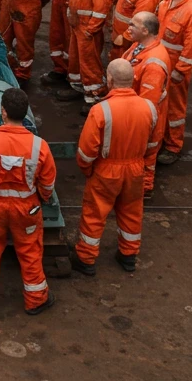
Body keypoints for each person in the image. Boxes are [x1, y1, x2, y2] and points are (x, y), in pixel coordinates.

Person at [0, 88, 57, 315]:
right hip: (27, 208)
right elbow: (47, 184)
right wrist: (40, 200)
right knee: (30, 251)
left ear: (3, 111)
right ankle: (36, 299)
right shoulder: (39, 145)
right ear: (25, 114)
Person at [72, 59, 156, 275]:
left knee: (94, 214)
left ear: (109, 80)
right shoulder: (149, 108)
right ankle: (128, 255)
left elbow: (86, 151)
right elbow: (154, 143)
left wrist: (88, 171)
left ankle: (86, 259)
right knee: (131, 212)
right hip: (136, 168)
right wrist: (143, 164)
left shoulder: (101, 111)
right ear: (133, 79)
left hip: (107, 171)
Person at [154, 0, 192, 166]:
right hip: (160, 64)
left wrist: (179, 71)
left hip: (175, 69)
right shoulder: (166, 2)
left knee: (174, 109)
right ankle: (160, 141)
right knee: (160, 104)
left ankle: (173, 146)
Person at [122, 12, 172, 198]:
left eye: (132, 25)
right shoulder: (139, 46)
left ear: (145, 30)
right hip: (132, 110)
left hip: (144, 119)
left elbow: (148, 105)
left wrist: (136, 127)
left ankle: (144, 189)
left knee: (145, 154)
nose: (129, 28)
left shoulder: (154, 64)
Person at [67, 0, 113, 105]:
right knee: (77, 59)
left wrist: (91, 29)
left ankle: (95, 95)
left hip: (87, 27)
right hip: (78, 24)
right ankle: (80, 87)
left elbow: (102, 8)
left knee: (89, 63)